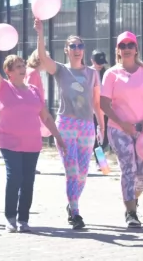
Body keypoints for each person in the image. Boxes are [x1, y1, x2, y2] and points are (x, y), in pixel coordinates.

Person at [0, 34, 66, 233]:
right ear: (9, 72)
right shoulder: (2, 87)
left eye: (23, 65)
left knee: (28, 180)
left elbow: (45, 117)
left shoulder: (34, 91)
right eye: (18, 67)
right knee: (14, 177)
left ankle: (23, 219)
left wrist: (58, 136)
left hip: (32, 143)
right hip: (9, 142)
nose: (23, 69)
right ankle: (10, 217)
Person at [34, 18, 105, 230]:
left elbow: (97, 102)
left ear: (83, 50)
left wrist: (101, 126)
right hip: (65, 125)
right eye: (72, 46)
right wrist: (40, 33)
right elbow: (42, 58)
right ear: (66, 50)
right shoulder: (61, 70)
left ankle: (72, 204)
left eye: (80, 46)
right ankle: (75, 212)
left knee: (83, 172)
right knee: (71, 170)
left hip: (86, 127)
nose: (76, 49)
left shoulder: (92, 73)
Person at [100, 32, 143, 228]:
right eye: (122, 45)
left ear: (136, 49)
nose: (126, 48)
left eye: (130, 45)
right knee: (129, 168)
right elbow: (104, 104)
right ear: (118, 50)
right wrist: (122, 123)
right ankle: (131, 212)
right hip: (119, 129)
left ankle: (132, 199)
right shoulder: (111, 74)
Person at [90, 50, 109, 168]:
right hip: (92, 111)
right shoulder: (88, 73)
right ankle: (101, 163)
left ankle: (100, 161)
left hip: (105, 110)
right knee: (97, 138)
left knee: (105, 138)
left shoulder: (106, 73)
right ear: (92, 61)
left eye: (102, 62)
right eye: (98, 62)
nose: (100, 65)